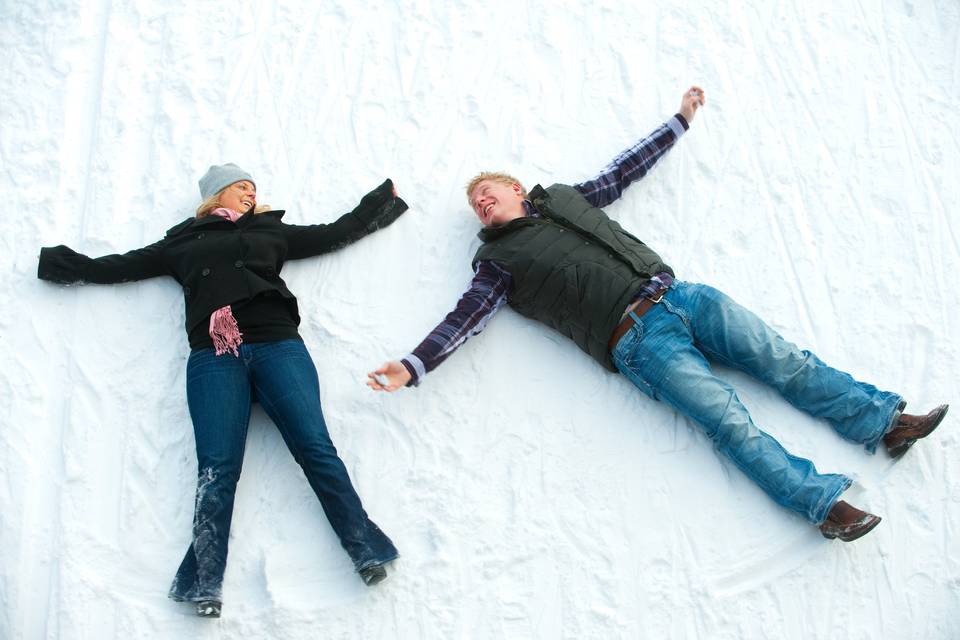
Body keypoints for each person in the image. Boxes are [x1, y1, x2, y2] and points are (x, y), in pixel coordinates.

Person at [368, 87, 948, 542]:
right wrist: (413, 365)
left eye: (487, 191)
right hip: (639, 341)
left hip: (684, 296)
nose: (481, 203)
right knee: (729, 421)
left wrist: (680, 120)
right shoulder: (495, 261)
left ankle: (885, 423)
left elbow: (623, 171)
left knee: (787, 362)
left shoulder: (568, 197)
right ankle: (824, 507)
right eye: (475, 205)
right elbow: (463, 318)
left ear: (516, 188)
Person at [38, 164, 407, 618]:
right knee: (217, 467)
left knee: (315, 447)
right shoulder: (183, 242)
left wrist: (378, 202)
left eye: (254, 188)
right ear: (216, 196)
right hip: (214, 357)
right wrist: (61, 265)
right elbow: (123, 265)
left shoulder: (272, 232)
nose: (251, 194)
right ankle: (204, 583)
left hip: (277, 345)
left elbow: (335, 232)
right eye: (241, 187)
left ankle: (365, 548)